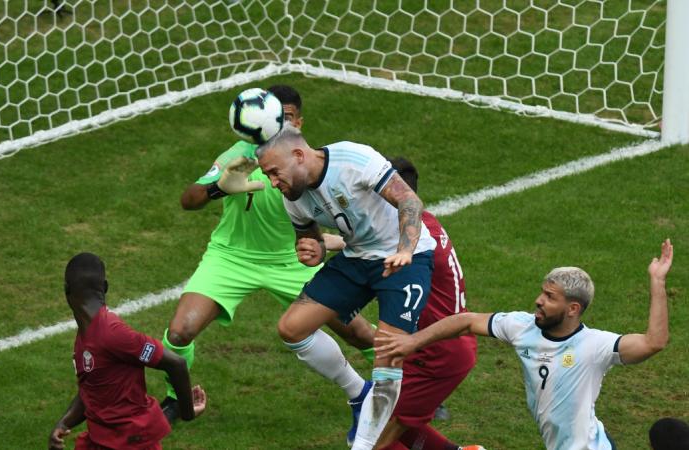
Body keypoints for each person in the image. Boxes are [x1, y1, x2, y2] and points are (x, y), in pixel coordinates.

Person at [162, 85, 376, 440]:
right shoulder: (239, 155)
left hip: (290, 261)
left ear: (298, 121)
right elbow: (189, 200)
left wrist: (329, 247)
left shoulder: (305, 160)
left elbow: (324, 225)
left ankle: (404, 387)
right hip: (230, 258)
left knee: (358, 332)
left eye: (286, 117)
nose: (276, 125)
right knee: (178, 332)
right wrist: (220, 187)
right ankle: (174, 400)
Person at [376, 240, 674, 450]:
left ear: (572, 309)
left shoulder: (595, 346)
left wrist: (657, 282)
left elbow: (653, 342)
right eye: (542, 292)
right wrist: (413, 341)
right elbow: (466, 321)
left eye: (550, 297)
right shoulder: (523, 326)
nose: (539, 301)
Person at [256, 126, 438, 450]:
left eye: (274, 172)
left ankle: (363, 446)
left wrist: (406, 249)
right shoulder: (292, 197)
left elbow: (408, 200)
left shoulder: (353, 158)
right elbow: (309, 238)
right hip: (356, 258)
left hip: (403, 258)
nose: (273, 182)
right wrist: (313, 250)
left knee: (387, 354)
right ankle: (358, 392)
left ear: (298, 156)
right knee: (291, 328)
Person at [49, 253, 206, 450]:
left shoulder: (113, 334)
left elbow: (176, 363)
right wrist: (64, 423)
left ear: (66, 289)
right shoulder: (84, 335)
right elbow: (91, 389)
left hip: (131, 443)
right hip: (101, 440)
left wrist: (187, 412)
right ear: (105, 287)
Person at [376, 157, 482, 450]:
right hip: (439, 344)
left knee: (377, 433)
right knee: (387, 418)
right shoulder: (425, 223)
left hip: (437, 353)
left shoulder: (413, 243)